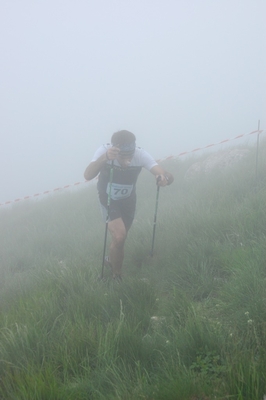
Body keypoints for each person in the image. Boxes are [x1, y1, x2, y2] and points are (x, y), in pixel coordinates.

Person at [84, 130, 174, 281]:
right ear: (114, 150)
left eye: (130, 156)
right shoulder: (104, 151)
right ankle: (117, 276)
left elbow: (165, 174)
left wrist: (163, 178)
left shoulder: (140, 154)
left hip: (128, 200)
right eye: (122, 157)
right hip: (107, 198)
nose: (127, 161)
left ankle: (111, 260)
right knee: (119, 236)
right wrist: (105, 158)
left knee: (120, 240)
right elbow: (87, 175)